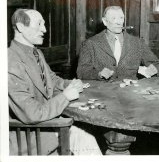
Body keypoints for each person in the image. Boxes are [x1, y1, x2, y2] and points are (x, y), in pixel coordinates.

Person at [8, 9, 102, 155]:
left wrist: (68, 84)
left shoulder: (35, 52)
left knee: (89, 138)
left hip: (45, 126)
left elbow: (50, 78)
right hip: (30, 138)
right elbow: (32, 113)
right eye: (39, 24)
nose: (44, 29)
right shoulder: (9, 61)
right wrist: (65, 96)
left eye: (44, 24)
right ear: (20, 27)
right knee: (87, 141)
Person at [77, 6, 159, 81]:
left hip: (129, 93)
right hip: (102, 94)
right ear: (105, 21)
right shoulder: (90, 43)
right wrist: (99, 74)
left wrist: (155, 69)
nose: (119, 22)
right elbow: (81, 72)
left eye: (121, 18)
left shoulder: (137, 43)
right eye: (114, 18)